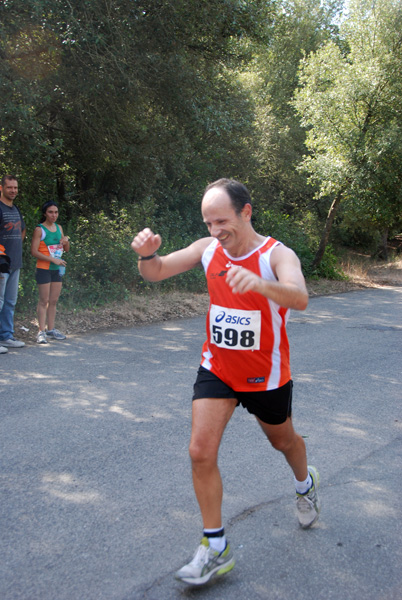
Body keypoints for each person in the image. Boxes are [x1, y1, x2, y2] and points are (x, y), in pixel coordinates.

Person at [131, 179, 321, 586]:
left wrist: (260, 284)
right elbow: (157, 272)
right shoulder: (208, 249)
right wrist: (148, 256)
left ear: (245, 212)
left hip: (265, 374)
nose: (215, 229)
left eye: (221, 220)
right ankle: (215, 546)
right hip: (217, 368)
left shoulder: (276, 255)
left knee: (283, 441)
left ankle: (304, 484)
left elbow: (300, 296)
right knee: (200, 451)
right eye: (208, 221)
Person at [30, 200, 70, 344]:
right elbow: (33, 251)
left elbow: (66, 249)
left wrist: (66, 241)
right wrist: (52, 259)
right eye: (50, 212)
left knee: (53, 301)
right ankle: (41, 331)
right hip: (43, 268)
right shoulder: (39, 229)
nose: (54, 215)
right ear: (45, 213)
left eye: (56, 212)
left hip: (57, 268)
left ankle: (51, 329)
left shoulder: (59, 227)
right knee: (44, 301)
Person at [0, 175, 26, 353]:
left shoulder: (15, 208)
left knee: (10, 302)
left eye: (15, 188)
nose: (13, 191)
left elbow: (22, 230)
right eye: (9, 187)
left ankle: (6, 336)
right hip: (2, 263)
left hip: (15, 262)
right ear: (1, 188)